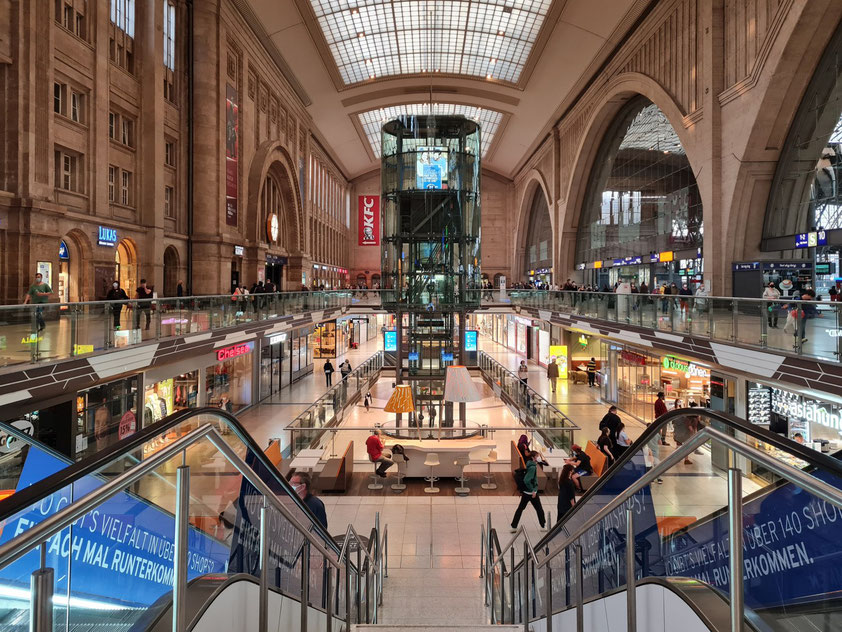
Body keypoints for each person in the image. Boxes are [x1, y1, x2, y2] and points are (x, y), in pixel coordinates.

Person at [510, 450, 546, 532]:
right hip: (531, 492)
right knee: (539, 509)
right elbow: (527, 480)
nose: (539, 457)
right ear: (533, 458)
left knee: (520, 509)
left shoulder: (529, 464)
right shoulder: (533, 467)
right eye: (537, 456)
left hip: (526, 492)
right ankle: (543, 526)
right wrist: (533, 490)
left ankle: (513, 526)